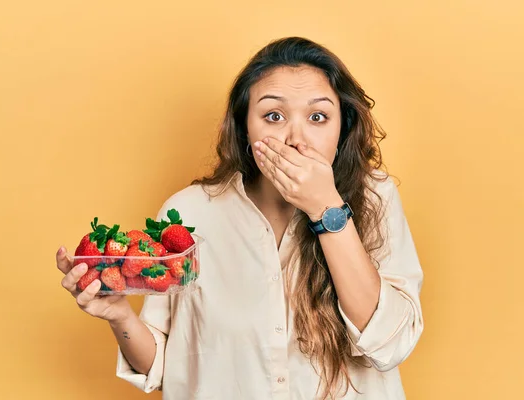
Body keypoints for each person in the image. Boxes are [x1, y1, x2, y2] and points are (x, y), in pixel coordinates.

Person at [57, 36, 424, 400]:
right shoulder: (189, 213)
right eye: (273, 116)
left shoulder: (376, 197)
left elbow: (390, 345)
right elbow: (169, 367)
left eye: (318, 117)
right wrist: (120, 316)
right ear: (245, 128)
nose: (296, 138)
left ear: (342, 129)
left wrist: (327, 209)